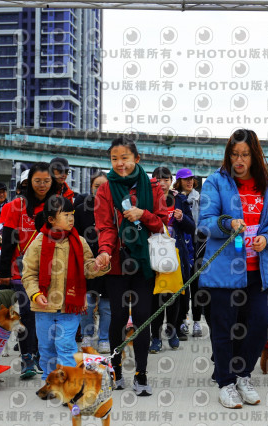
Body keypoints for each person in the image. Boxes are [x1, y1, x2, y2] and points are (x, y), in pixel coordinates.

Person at [198, 129, 268, 409]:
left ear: (254, 155)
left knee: (261, 323)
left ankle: (243, 375)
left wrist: (267, 236)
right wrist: (227, 224)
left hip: (258, 270)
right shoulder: (215, 182)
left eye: (245, 155)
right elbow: (205, 222)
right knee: (224, 328)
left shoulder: (267, 185)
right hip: (225, 271)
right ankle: (225, 382)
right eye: (234, 154)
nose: (239, 160)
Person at [93, 136, 168, 396]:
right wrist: (104, 252)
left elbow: (161, 223)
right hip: (116, 264)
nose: (119, 163)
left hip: (145, 264)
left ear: (137, 159)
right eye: (114, 159)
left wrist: (142, 214)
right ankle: (115, 370)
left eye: (124, 158)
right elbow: (105, 227)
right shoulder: (105, 190)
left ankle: (141, 373)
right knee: (116, 319)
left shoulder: (154, 187)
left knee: (143, 319)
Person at [22, 195, 107, 381]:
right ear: (51, 219)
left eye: (72, 214)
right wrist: (35, 294)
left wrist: (99, 265)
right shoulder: (37, 243)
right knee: (46, 348)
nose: (71, 219)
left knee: (66, 345)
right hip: (43, 308)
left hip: (70, 307)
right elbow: (29, 274)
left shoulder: (79, 242)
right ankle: (50, 380)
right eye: (66, 214)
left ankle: (68, 383)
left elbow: (88, 269)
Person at [0, 162, 60, 379]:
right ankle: (27, 358)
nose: (41, 185)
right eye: (36, 181)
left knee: (45, 316)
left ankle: (41, 357)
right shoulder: (15, 206)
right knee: (27, 314)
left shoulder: (56, 205)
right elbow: (7, 241)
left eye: (46, 181)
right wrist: (4, 272)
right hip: (21, 271)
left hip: (51, 270)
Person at [149, 167, 196, 352]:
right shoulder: (148, 199)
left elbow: (192, 227)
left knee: (174, 296)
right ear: (153, 181)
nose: (162, 183)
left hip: (176, 255)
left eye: (166, 179)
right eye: (158, 179)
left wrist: (182, 217)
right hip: (154, 255)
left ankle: (173, 330)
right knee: (156, 297)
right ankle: (155, 337)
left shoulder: (180, 200)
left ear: (171, 181)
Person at [74, 171, 112, 353]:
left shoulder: (115, 208)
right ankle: (87, 335)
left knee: (106, 305)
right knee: (88, 303)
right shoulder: (81, 209)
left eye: (104, 186)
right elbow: (75, 236)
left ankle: (104, 338)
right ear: (91, 187)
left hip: (108, 262)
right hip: (87, 263)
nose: (100, 189)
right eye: (97, 186)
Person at [173, 168, 200, 338]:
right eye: (185, 179)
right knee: (183, 285)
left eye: (191, 179)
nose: (189, 182)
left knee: (197, 285)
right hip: (181, 245)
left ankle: (197, 321)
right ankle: (183, 320)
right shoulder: (175, 199)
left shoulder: (201, 198)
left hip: (198, 244)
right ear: (179, 181)